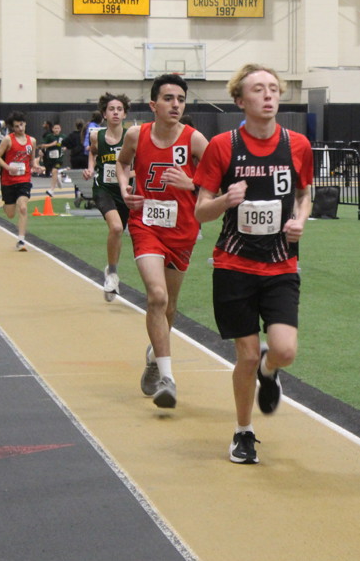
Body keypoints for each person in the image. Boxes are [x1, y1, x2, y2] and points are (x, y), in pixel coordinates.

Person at [194, 63, 314, 465]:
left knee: (285, 351)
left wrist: (300, 219)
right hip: (234, 266)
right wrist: (224, 200)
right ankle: (243, 431)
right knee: (244, 355)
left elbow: (304, 194)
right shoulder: (222, 146)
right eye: (258, 89)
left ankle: (269, 368)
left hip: (281, 266)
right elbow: (199, 211)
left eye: (274, 88)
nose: (268, 95)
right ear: (239, 100)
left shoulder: (297, 144)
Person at [116, 74, 208, 410]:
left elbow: (218, 181)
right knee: (157, 296)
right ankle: (168, 379)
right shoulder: (136, 135)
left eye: (181, 99)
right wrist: (125, 188)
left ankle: (155, 356)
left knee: (169, 307)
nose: (176, 105)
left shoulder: (195, 140)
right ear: (153, 104)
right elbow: (122, 163)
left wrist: (191, 184)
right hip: (146, 225)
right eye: (169, 98)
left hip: (182, 229)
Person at [84, 93, 132, 302]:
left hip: (124, 190)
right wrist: (90, 168)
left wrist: (129, 175)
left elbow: (139, 163)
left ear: (125, 114)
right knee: (117, 228)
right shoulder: (97, 135)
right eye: (111, 109)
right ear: (104, 113)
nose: (115, 113)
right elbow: (93, 151)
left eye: (119, 109)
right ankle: (112, 274)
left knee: (118, 232)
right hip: (103, 188)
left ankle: (112, 269)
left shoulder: (132, 137)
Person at [0, 111, 42, 251]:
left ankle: (21, 240)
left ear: (25, 124)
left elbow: (31, 161)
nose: (20, 128)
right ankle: (7, 206)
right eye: (16, 126)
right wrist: (8, 167)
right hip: (8, 180)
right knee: (10, 214)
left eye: (21, 125)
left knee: (23, 207)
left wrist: (37, 166)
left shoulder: (32, 141)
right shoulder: (8, 140)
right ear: (12, 128)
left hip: (24, 179)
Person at [39, 121, 66, 193]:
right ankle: (58, 178)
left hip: (59, 158)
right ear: (52, 129)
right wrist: (51, 144)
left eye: (58, 128)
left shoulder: (63, 137)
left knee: (54, 171)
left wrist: (65, 147)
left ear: (60, 129)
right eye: (55, 128)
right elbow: (42, 145)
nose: (56, 130)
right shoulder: (49, 136)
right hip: (50, 158)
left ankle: (52, 190)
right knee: (54, 172)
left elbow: (67, 144)